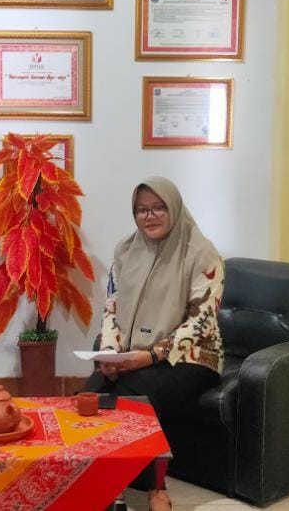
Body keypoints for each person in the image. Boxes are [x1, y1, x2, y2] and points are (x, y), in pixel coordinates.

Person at [83, 177, 225, 511]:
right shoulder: (125, 249)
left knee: (133, 398)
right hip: (133, 353)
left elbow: (201, 321)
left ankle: (154, 488)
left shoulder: (203, 253)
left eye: (159, 207)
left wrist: (149, 356)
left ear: (174, 207)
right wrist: (110, 353)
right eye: (141, 210)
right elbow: (112, 307)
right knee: (90, 398)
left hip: (193, 355)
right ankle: (99, 478)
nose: (150, 216)